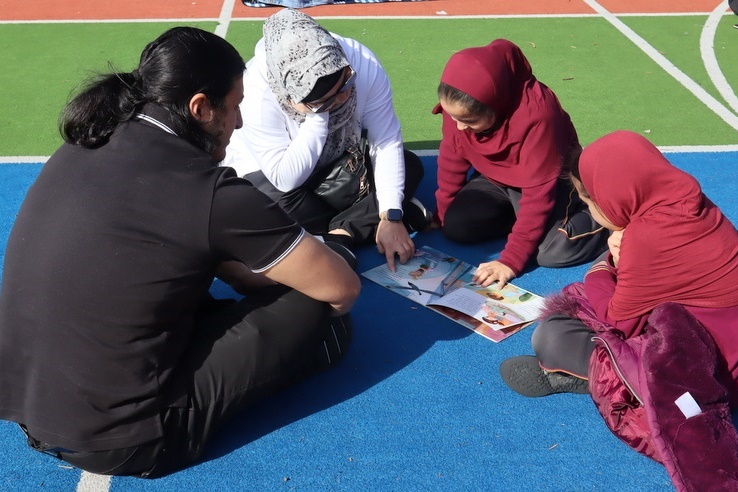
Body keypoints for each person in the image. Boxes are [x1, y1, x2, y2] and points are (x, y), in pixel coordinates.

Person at [0, 26, 360, 478]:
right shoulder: (208, 189)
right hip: (128, 439)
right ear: (200, 108)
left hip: (27, 405)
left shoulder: (84, 141)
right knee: (318, 308)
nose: (240, 122)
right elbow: (339, 288)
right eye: (235, 107)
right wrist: (339, 247)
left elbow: (228, 270)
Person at [500, 130, 738, 399]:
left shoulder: (646, 237)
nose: (589, 210)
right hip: (721, 335)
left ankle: (610, 384)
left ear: (610, 196)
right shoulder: (688, 199)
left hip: (708, 369)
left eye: (588, 201)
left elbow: (619, 323)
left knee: (552, 335)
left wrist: (601, 270)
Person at [224, 9, 430, 272]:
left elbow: (386, 140)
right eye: (329, 97)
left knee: (408, 163)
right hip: (276, 177)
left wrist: (391, 214)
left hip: (340, 165)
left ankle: (342, 236)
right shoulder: (256, 89)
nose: (343, 98)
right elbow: (285, 178)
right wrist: (318, 117)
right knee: (259, 209)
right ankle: (365, 218)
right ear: (291, 99)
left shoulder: (361, 62)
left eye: (345, 85)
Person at [432, 39, 609, 289]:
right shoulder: (459, 106)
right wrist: (443, 212)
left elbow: (538, 195)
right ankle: (523, 223)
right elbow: (452, 155)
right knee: (457, 227)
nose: (459, 126)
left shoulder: (539, 117)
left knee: (551, 253)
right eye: (452, 116)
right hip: (497, 179)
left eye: (469, 120)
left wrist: (511, 261)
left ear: (496, 105)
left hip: (551, 182)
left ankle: (603, 219)